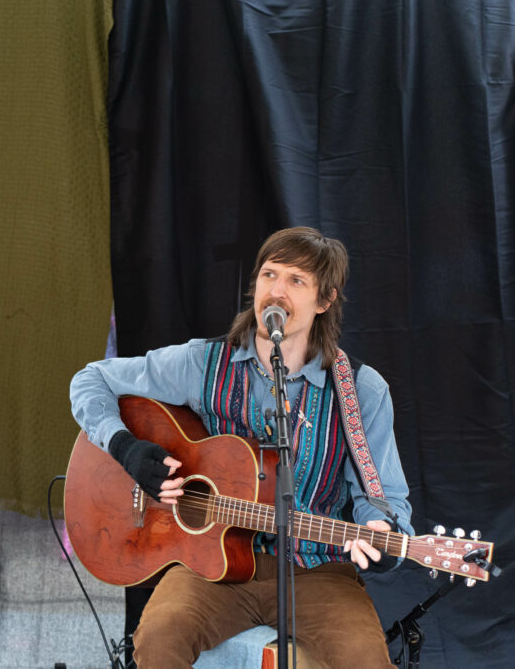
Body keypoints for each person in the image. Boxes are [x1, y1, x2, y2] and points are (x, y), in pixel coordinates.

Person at [70, 227, 412, 668]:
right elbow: (90, 379)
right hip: (212, 570)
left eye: (296, 280)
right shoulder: (203, 363)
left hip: (317, 572)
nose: (276, 291)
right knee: (157, 639)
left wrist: (382, 531)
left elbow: (383, 497)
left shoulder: (359, 390)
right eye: (269, 275)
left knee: (366, 661)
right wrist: (125, 449)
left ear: (324, 301)